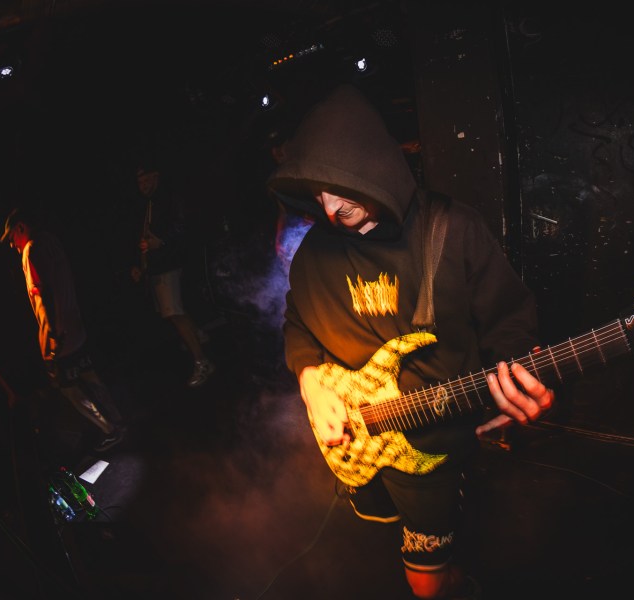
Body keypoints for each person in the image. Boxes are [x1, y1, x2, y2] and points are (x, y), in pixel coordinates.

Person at [270, 84, 554, 599]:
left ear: (374, 169)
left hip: (430, 445)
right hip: (356, 446)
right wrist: (311, 380)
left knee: (425, 584)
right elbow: (298, 322)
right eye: (316, 192)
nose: (329, 209)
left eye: (339, 188)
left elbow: (510, 319)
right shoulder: (313, 252)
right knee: (374, 538)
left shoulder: (451, 228)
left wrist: (515, 374)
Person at [0, 207, 126, 453]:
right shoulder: (51, 240)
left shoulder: (31, 251)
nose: (12, 245)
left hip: (60, 336)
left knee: (70, 390)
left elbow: (43, 296)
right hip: (76, 327)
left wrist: (51, 337)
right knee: (90, 375)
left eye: (12, 237)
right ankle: (117, 418)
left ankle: (108, 430)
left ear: (21, 228)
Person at [128, 161, 215, 387]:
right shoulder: (148, 204)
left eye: (147, 180)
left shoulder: (168, 199)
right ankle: (197, 337)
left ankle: (202, 361)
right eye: (140, 182)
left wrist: (163, 242)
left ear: (156, 177)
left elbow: (181, 227)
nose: (143, 185)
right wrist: (140, 264)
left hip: (168, 265)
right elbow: (144, 237)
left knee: (175, 313)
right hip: (157, 267)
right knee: (172, 313)